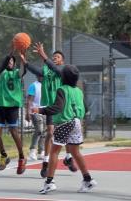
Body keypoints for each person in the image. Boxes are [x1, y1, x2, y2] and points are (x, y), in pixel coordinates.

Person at [32, 65, 97, 194]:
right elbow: (85, 108)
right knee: (75, 152)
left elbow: (57, 108)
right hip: (77, 122)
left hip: (65, 122)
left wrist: (40, 110)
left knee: (54, 151)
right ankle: (88, 180)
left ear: (63, 77)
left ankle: (49, 182)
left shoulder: (62, 90)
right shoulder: (78, 91)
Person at [20, 43, 77, 177]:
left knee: (67, 133)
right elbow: (38, 71)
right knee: (50, 133)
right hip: (50, 106)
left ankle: (68, 157)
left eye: (57, 57)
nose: (55, 58)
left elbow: (53, 67)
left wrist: (43, 55)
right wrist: (25, 62)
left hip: (62, 105)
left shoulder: (63, 70)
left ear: (62, 61)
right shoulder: (46, 70)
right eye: (54, 57)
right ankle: (45, 162)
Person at [0, 52, 27, 174]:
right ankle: (4, 156)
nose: (10, 63)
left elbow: (23, 70)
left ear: (14, 63)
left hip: (12, 108)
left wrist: (23, 60)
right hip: (1, 107)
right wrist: (9, 54)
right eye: (8, 61)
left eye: (12, 61)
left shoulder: (17, 73)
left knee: (14, 132)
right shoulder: (1, 73)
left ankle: (22, 157)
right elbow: (0, 68)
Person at [26, 75, 45, 161]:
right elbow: (29, 100)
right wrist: (28, 112)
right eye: (40, 75)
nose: (42, 77)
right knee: (39, 130)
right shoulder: (33, 85)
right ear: (37, 76)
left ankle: (41, 152)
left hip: (45, 110)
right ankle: (32, 151)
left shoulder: (47, 85)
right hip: (35, 110)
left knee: (44, 132)